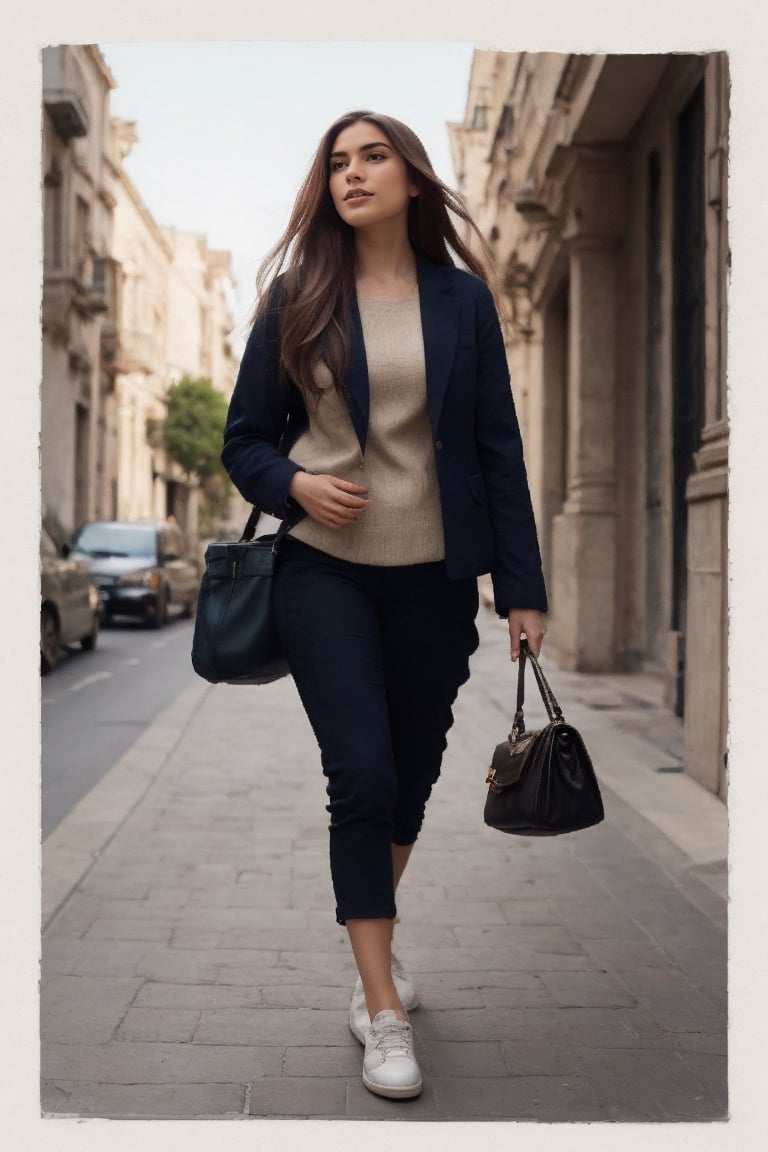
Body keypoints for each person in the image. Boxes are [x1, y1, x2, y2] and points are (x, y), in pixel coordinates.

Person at [221, 110, 547, 1101]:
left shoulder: (463, 301)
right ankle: (382, 1007)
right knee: (359, 773)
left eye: (373, 157)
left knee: (407, 779)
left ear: (411, 177)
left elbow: (498, 448)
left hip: (437, 582)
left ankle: (374, 950)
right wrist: (295, 486)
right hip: (326, 571)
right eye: (336, 162)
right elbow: (244, 441)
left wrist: (522, 592)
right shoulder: (296, 297)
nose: (353, 173)